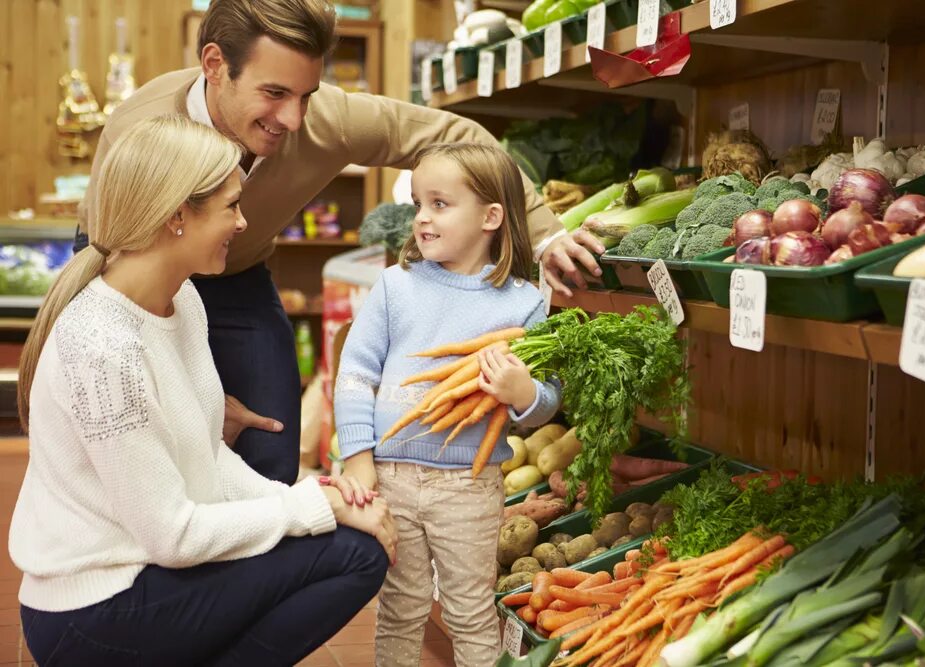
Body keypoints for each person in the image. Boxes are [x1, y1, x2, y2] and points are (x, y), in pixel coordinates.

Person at [73, 0, 604, 486]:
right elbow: (115, 300)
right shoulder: (140, 131)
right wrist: (198, 399)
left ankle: (259, 583)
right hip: (128, 276)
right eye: (274, 93)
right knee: (152, 437)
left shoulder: (326, 119)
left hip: (237, 275)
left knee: (271, 434)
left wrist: (545, 233)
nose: (294, 119)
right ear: (215, 65)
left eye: (306, 95)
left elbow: (461, 138)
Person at [10, 114, 396, 667]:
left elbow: (207, 457)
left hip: (146, 574)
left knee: (354, 547)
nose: (243, 223)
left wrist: (317, 500)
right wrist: (316, 506)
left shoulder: (181, 300)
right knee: (353, 555)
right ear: (176, 217)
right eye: (231, 206)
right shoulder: (104, 349)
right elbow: (174, 535)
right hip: (92, 614)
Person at [335, 142, 563, 667]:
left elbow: (548, 401)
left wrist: (522, 393)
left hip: (470, 485)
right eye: (419, 204)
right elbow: (355, 373)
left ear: (491, 217)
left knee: (469, 611)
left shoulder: (526, 302)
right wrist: (358, 458)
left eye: (440, 204)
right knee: (400, 606)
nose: (422, 218)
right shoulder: (395, 286)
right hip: (391, 477)